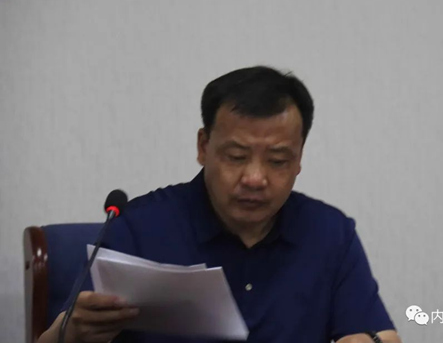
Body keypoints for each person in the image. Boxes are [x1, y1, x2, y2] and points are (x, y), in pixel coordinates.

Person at [39, 66, 402, 343]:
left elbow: (382, 336)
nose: (255, 178)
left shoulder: (330, 234)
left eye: (277, 161)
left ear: (299, 159)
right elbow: (59, 334)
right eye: (236, 156)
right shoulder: (139, 228)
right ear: (203, 147)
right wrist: (67, 334)